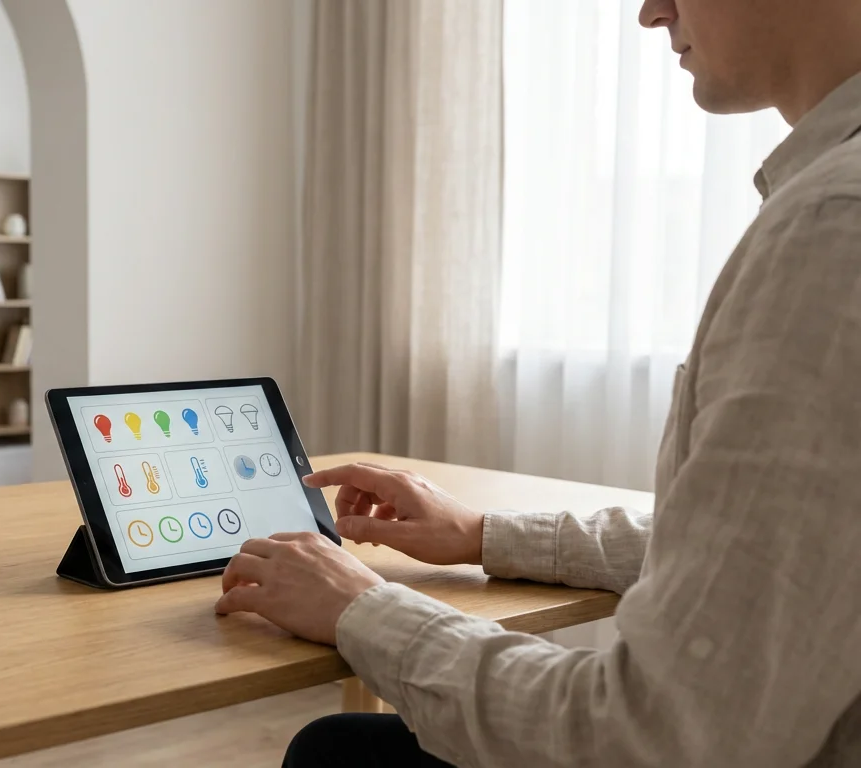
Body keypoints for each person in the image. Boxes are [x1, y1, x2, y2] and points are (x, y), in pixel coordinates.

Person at [214, 0, 861, 765]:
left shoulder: (830, 231)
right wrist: (480, 535)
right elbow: (756, 552)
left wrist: (362, 607)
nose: (651, 13)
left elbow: (650, 736)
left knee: (337, 754)